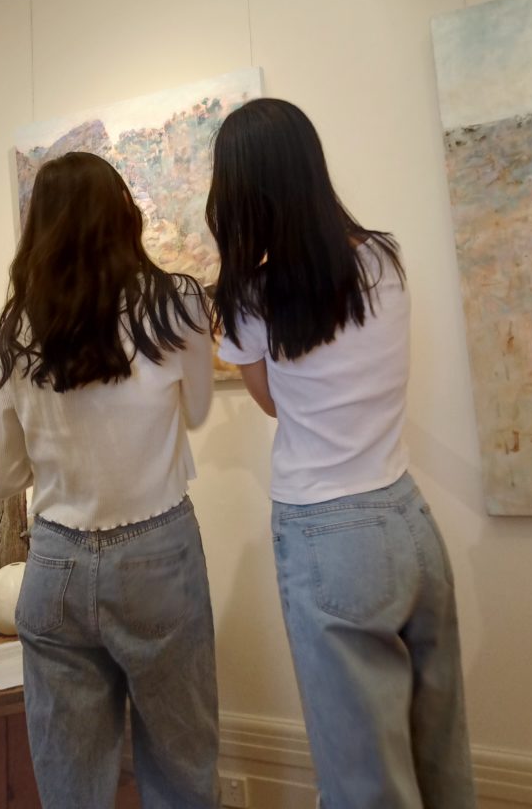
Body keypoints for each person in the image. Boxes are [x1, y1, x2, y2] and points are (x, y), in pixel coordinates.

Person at [206, 98, 475, 809]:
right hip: (408, 519)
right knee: (441, 759)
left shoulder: (251, 297)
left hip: (329, 535)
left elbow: (272, 403)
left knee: (364, 784)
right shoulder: (385, 257)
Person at [0, 151, 220, 809]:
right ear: (122, 214)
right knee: (181, 768)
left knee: (71, 785)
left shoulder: (18, 328)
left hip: (55, 563)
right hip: (156, 555)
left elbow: (4, 477)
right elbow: (199, 410)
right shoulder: (176, 302)